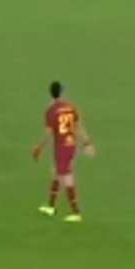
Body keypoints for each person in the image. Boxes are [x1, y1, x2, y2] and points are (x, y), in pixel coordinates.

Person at [33, 81, 95, 222]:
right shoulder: (71, 107)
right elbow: (78, 127)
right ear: (62, 93)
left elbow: (48, 133)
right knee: (57, 173)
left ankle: (76, 213)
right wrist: (87, 143)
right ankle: (51, 206)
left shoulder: (51, 111)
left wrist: (39, 148)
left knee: (66, 177)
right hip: (70, 145)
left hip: (61, 148)